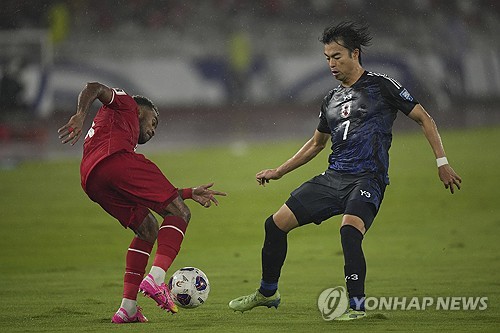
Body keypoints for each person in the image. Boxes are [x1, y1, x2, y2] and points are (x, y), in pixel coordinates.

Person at [228, 21, 462, 320]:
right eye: (327, 58)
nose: (331, 64)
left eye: (336, 56)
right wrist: (279, 170)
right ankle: (268, 292)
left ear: (355, 53)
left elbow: (425, 118)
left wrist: (442, 163)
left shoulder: (382, 86)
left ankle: (357, 307)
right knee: (275, 224)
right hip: (334, 178)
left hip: (368, 178)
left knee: (349, 231)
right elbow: (316, 144)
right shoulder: (331, 99)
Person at [58, 82, 226, 324]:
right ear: (139, 111)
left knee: (147, 227)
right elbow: (93, 87)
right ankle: (157, 278)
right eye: (153, 122)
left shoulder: (113, 129)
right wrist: (80, 114)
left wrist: (188, 192)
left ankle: (127, 307)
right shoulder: (125, 103)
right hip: (115, 161)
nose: (154, 130)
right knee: (181, 213)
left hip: (92, 180)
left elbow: (146, 192)